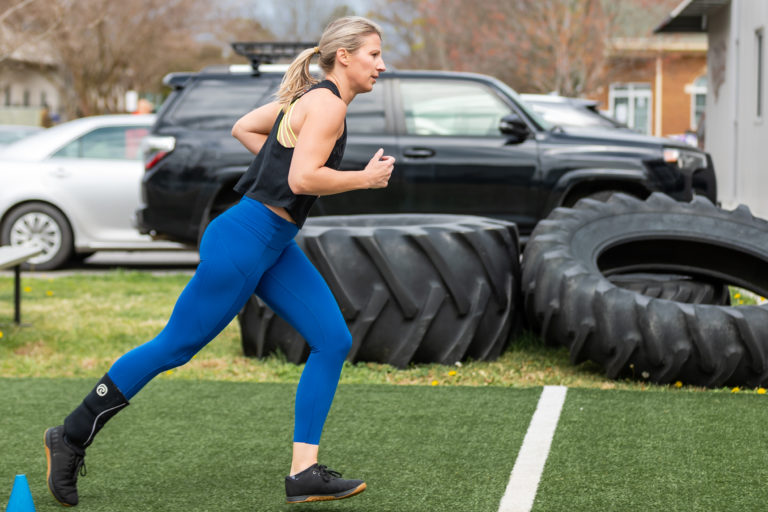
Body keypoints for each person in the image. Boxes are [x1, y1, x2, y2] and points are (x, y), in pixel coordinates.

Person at [44, 15, 393, 507]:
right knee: (174, 347)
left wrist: (277, 161)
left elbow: (244, 128)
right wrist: (363, 178)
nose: (382, 64)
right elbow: (303, 180)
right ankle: (71, 434)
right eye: (374, 54)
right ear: (345, 56)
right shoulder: (328, 107)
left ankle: (304, 472)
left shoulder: (307, 99)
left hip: (270, 243)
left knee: (332, 340)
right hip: (245, 240)